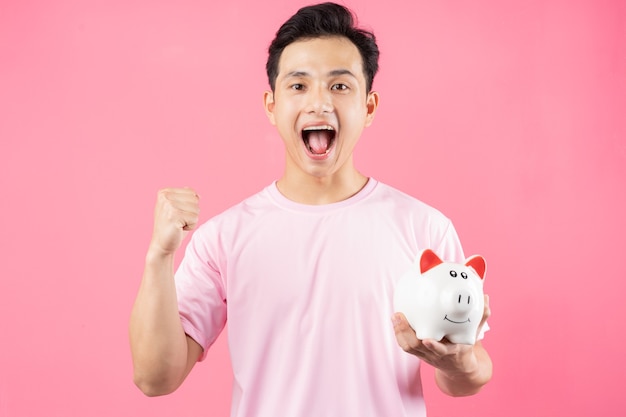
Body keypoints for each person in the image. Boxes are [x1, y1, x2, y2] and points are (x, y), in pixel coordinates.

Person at [129, 2, 493, 416]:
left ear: (368, 107)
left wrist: (457, 361)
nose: (319, 103)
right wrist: (158, 256)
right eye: (299, 86)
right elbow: (154, 378)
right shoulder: (223, 238)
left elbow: (467, 373)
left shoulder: (424, 229)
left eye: (339, 86)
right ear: (271, 105)